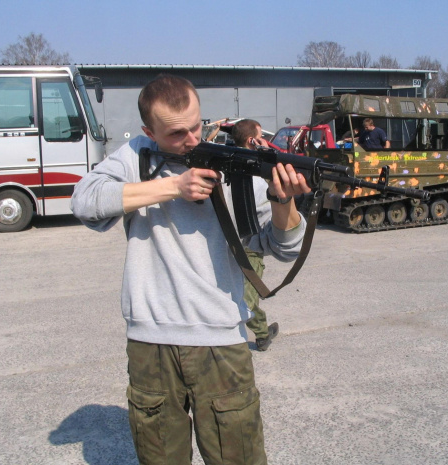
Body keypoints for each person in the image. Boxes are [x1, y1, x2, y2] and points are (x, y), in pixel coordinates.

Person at [70, 74, 310, 465]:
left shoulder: (231, 163)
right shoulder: (137, 156)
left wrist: (283, 201)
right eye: (176, 133)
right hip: (151, 342)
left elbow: (285, 247)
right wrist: (173, 188)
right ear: (150, 131)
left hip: (221, 339)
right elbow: (85, 201)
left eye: (197, 126)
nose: (192, 140)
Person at [232, 119, 280, 351]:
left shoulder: (227, 162)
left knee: (246, 294)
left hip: (237, 245)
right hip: (247, 246)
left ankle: (262, 334)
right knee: (245, 299)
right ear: (253, 140)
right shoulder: (257, 172)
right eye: (261, 137)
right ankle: (257, 333)